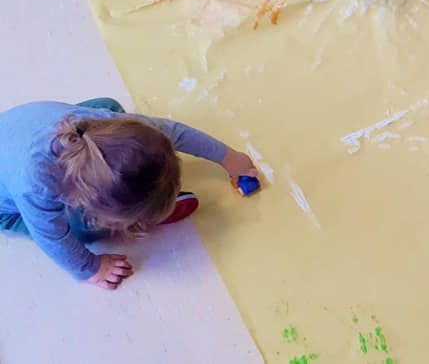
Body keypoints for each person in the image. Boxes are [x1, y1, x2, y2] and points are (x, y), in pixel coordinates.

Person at [0, 99, 257, 290]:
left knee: (112, 108)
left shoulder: (109, 126)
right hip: (7, 207)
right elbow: (51, 237)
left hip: (31, 131)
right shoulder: (37, 188)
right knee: (81, 230)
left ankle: (136, 204)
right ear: (87, 200)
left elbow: (176, 133)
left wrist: (229, 158)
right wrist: (91, 269)